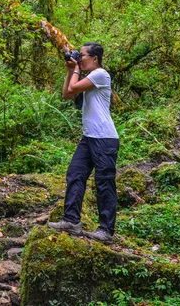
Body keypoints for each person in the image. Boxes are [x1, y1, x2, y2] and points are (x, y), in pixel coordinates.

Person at [47, 42, 119, 243]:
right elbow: (67, 93)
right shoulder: (88, 77)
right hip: (89, 138)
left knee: (104, 183)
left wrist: (76, 69)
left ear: (94, 58)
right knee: (75, 174)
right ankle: (71, 220)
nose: (80, 58)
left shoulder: (101, 74)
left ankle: (106, 231)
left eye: (83, 55)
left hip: (104, 138)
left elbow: (73, 88)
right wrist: (71, 71)